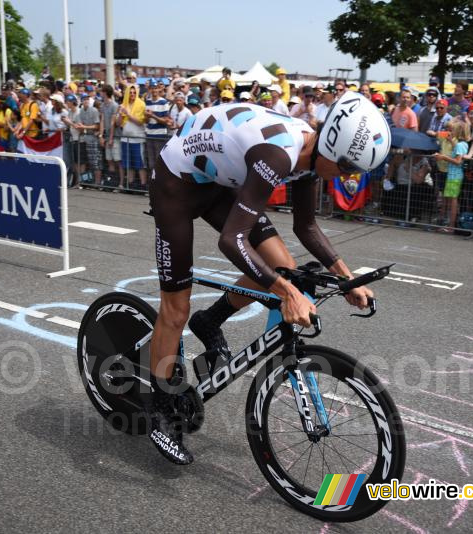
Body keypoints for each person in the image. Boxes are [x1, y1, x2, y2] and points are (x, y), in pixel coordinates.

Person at [145, 92, 390, 464]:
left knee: (283, 269)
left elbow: (306, 226)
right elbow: (232, 240)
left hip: (216, 179)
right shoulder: (277, 155)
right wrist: (287, 293)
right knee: (176, 309)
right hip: (176, 184)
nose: (349, 178)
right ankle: (161, 410)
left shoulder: (312, 153)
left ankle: (210, 319)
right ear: (329, 151)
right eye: (346, 170)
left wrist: (347, 279)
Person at [435, 120, 470, 232]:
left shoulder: (460, 144)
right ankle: (449, 224)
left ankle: (451, 226)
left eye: (453, 130)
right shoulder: (462, 144)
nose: (451, 132)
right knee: (451, 199)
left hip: (455, 176)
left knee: (453, 200)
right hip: (453, 175)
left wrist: (443, 157)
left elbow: (458, 161)